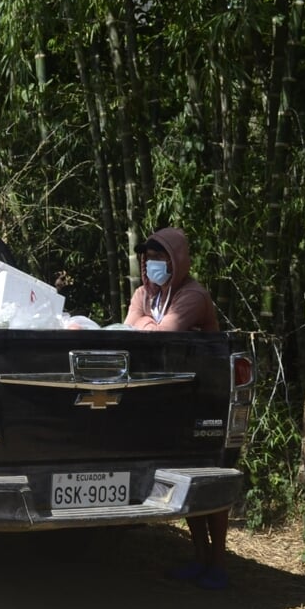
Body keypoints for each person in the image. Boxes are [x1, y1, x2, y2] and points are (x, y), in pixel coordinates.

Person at [125, 226, 230, 589]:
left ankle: (218, 562)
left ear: (177, 260)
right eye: (149, 258)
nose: (153, 264)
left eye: (160, 257)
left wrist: (146, 325)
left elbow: (164, 332)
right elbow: (130, 325)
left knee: (209, 476)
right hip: (169, 393)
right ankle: (199, 556)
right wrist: (145, 323)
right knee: (187, 479)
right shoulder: (144, 293)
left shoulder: (193, 295)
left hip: (204, 391)